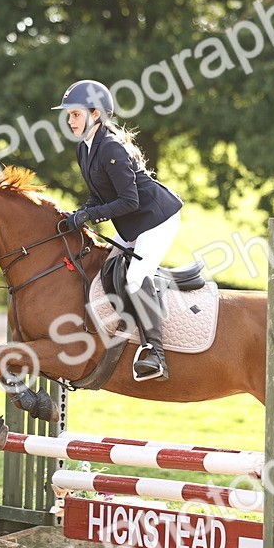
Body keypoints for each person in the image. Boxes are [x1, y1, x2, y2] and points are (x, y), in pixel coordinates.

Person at [53, 79, 184, 382]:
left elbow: (129, 200)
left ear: (95, 114)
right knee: (110, 267)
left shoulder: (111, 147)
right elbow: (99, 196)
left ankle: (156, 354)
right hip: (133, 221)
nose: (70, 120)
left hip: (157, 219)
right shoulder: (84, 149)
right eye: (69, 115)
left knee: (137, 276)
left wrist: (89, 215)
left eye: (75, 114)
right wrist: (80, 213)